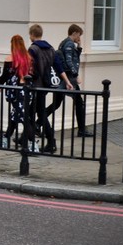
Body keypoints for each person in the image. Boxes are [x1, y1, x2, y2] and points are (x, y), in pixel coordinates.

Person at [27, 24, 73, 154]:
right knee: (32, 112)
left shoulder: (33, 49)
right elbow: (59, 67)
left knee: (36, 112)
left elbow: (29, 68)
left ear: (31, 35)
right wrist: (67, 82)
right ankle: (27, 137)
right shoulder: (51, 49)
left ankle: (50, 141)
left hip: (35, 85)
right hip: (45, 85)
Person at [47, 24, 93, 137]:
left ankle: (38, 123)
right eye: (79, 35)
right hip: (69, 78)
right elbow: (69, 61)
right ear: (74, 33)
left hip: (66, 77)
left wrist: (80, 47)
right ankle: (82, 130)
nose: (80, 37)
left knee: (57, 103)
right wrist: (76, 75)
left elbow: (73, 57)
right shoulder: (69, 43)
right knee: (79, 102)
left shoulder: (65, 43)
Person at [0, 34, 36, 150]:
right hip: (27, 91)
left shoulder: (10, 59)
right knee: (15, 116)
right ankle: (5, 139)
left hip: (16, 92)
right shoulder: (29, 58)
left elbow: (4, 77)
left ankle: (33, 145)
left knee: (23, 118)